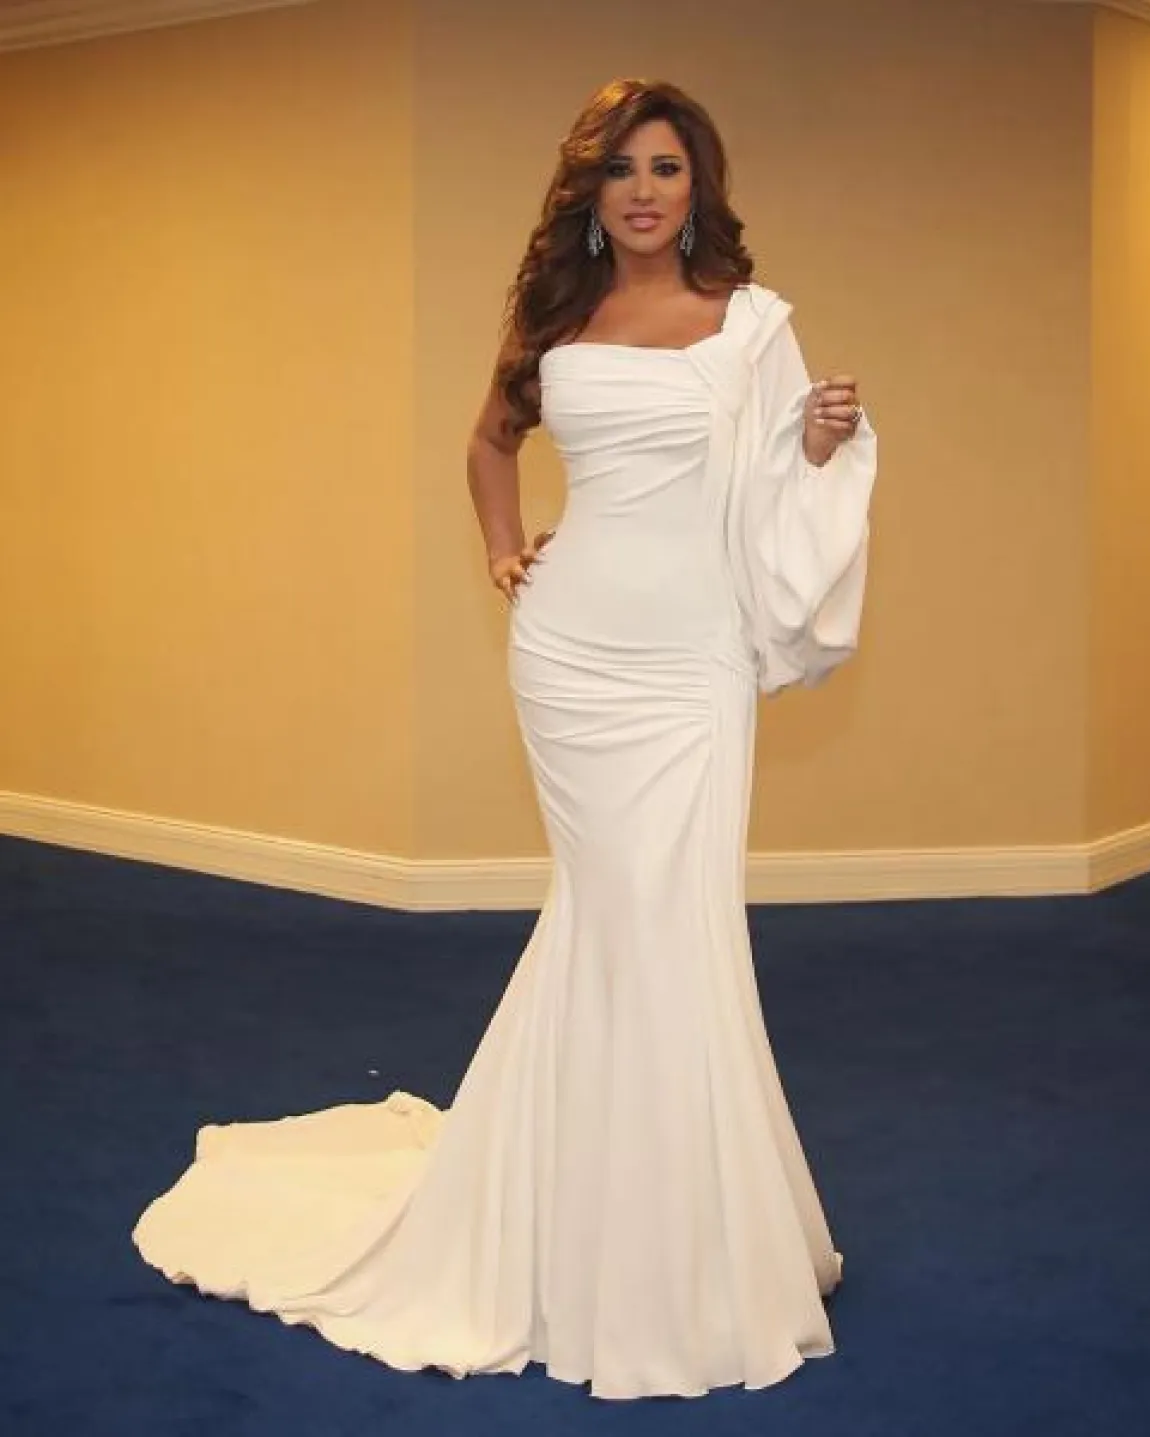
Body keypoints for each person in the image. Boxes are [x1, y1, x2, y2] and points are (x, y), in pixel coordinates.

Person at [132, 78, 877, 1402]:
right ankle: (593, 1230)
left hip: (692, 663)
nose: (644, 191)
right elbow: (489, 444)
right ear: (590, 192)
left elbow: (780, 490)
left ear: (698, 186)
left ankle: (682, 1239)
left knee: (675, 927)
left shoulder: (752, 325)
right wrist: (501, 552)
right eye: (621, 170)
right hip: (571, 655)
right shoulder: (555, 315)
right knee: (614, 917)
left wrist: (821, 441)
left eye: (666, 168)